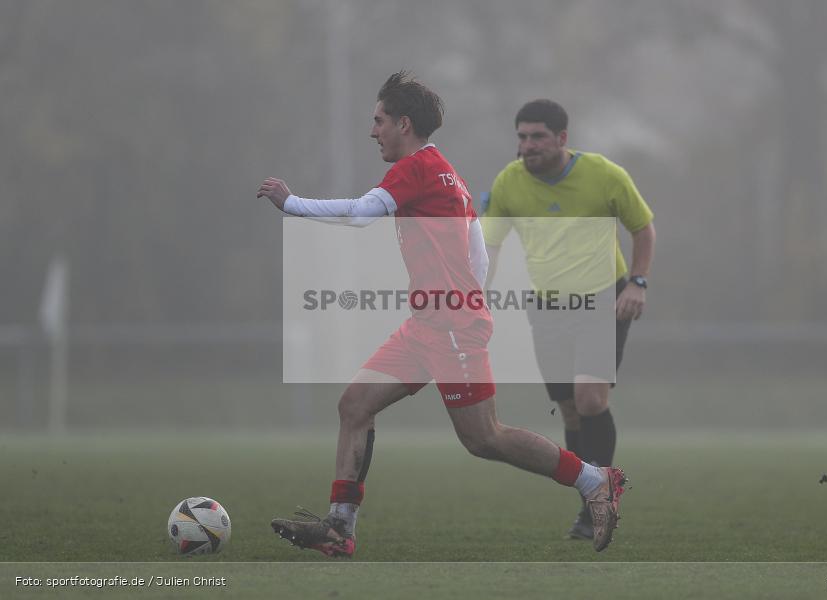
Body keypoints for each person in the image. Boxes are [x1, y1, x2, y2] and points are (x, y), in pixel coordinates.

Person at [256, 73, 626, 557]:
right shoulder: (441, 171)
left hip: (450, 326)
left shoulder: (417, 169)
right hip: (429, 322)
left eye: (379, 120)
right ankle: (339, 528)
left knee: (483, 437)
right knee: (354, 405)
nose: (373, 131)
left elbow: (363, 214)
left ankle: (594, 479)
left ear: (403, 123)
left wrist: (293, 204)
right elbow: (477, 247)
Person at [481, 99, 655, 540]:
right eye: (521, 136)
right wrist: (478, 294)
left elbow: (643, 229)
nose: (527, 145)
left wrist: (638, 282)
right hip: (547, 305)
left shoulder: (604, 175)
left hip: (603, 298)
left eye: (537, 136)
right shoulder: (509, 182)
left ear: (562, 138)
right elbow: (492, 246)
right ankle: (590, 504)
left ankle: (602, 499)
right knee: (572, 413)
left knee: (591, 398)